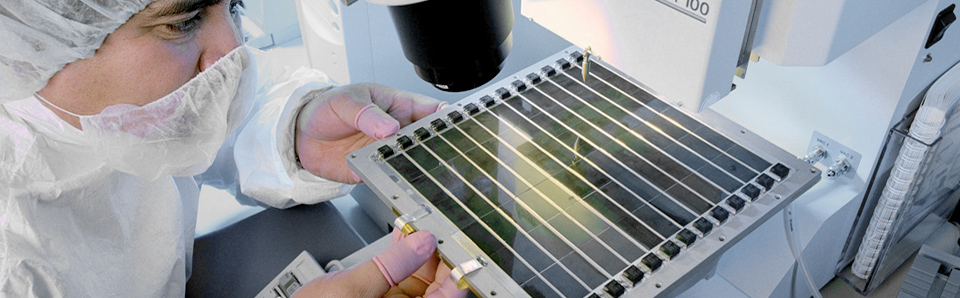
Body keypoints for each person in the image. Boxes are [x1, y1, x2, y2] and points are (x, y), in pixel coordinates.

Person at [0, 0, 466, 297]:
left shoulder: (96, 109)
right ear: (37, 42)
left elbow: (206, 129)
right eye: (184, 21)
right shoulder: (14, 265)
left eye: (235, 4)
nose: (234, 47)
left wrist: (296, 131)